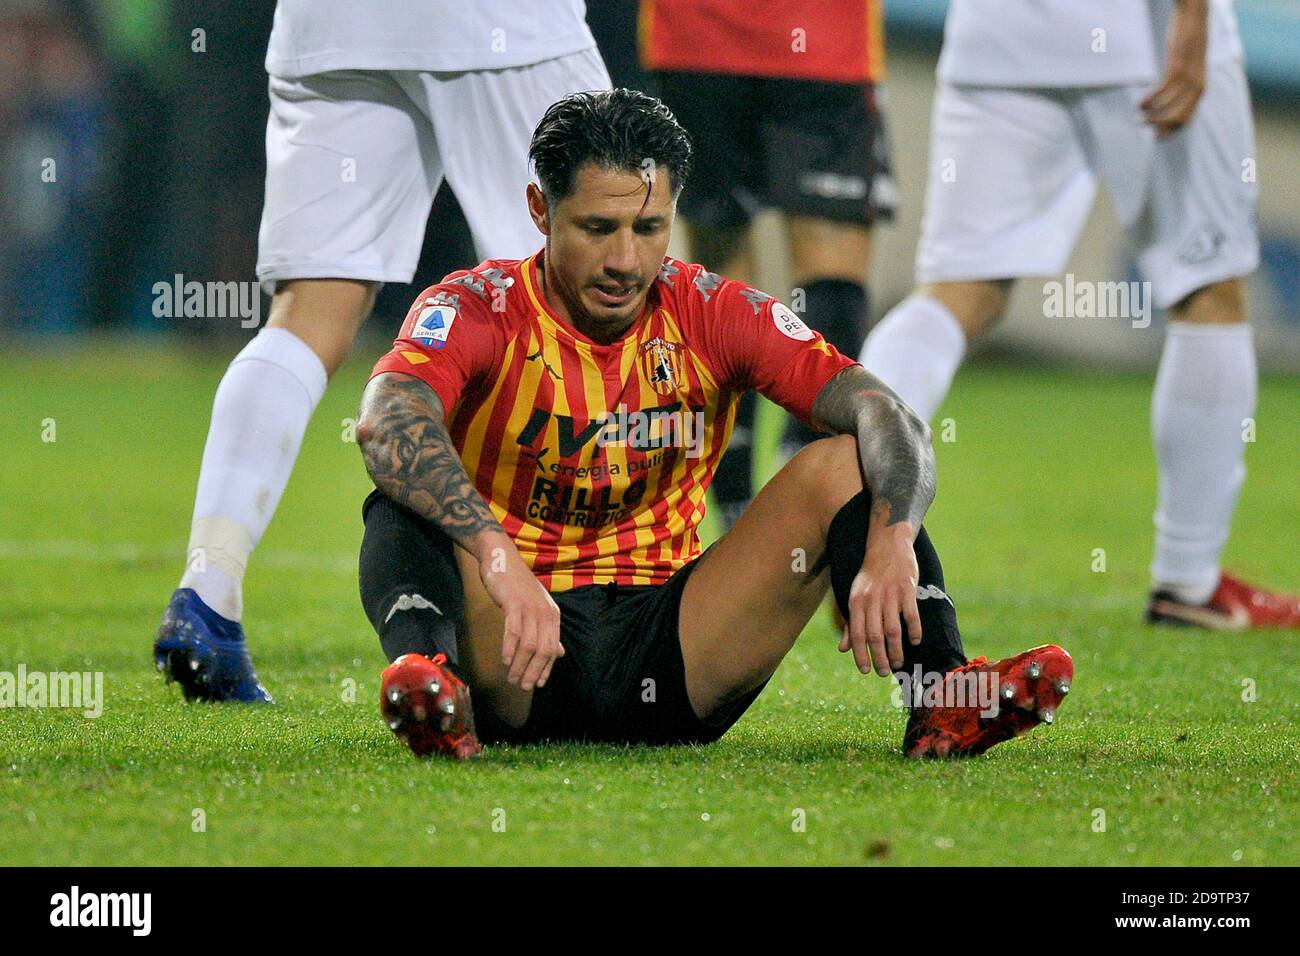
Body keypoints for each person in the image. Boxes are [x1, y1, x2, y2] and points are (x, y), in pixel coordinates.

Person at [354, 89, 1073, 760]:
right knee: (406, 478)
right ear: (540, 210)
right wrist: (497, 557)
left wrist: (891, 536)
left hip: (675, 656)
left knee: (848, 462)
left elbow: (885, 412)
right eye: (597, 228)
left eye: (649, 227)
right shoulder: (479, 306)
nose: (625, 260)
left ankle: (941, 694)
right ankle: (433, 688)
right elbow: (386, 420)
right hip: (511, 652)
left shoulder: (715, 311)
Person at [153, 1, 612, 702]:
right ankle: (601, 615)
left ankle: (209, 590)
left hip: (332, 28)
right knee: (597, 289)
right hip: (495, 24)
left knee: (308, 312)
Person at [860, 0, 1299, 630]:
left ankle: (848, 516)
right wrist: (1194, 18)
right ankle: (1189, 579)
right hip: (1139, 34)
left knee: (956, 292)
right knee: (1206, 286)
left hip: (997, 34)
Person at [642, 0, 897, 529]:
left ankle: (740, 514)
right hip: (818, 41)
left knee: (723, 279)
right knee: (830, 275)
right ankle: (811, 502)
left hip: (700, 40)